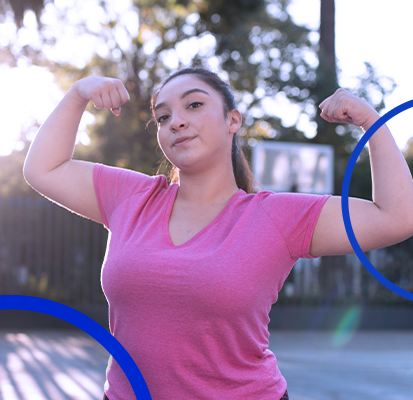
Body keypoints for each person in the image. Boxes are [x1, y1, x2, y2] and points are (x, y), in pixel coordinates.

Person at [23, 67, 413, 400]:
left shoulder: (276, 217)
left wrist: (370, 121)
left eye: (193, 105)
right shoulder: (132, 197)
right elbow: (44, 169)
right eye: (162, 116)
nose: (175, 121)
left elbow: (397, 216)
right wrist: (77, 94)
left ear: (233, 120)